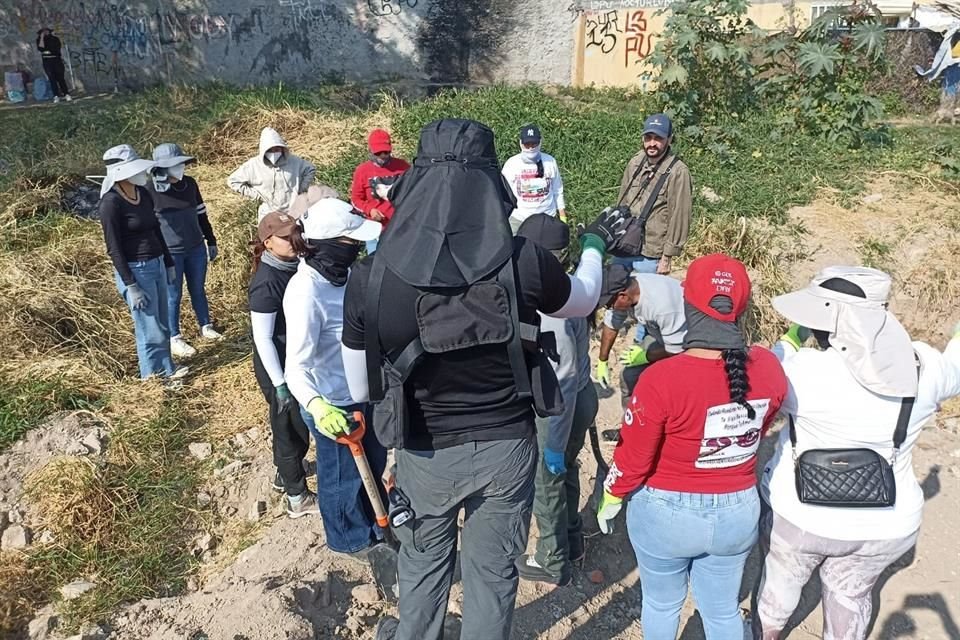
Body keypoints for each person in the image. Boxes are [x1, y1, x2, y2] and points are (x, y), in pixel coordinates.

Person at [338, 118, 628, 640]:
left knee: (423, 566)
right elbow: (584, 298)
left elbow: (360, 389)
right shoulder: (524, 261)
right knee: (493, 576)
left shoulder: (372, 276)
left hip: (426, 452)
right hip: (507, 446)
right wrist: (593, 246)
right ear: (494, 183)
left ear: (417, 180)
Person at [755, 267, 960, 640]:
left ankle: (766, 633)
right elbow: (956, 367)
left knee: (781, 582)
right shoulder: (925, 365)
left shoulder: (801, 370)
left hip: (800, 514)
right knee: (851, 593)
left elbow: (767, 368)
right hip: (887, 523)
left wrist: (791, 338)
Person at [597, 253, 787, 639]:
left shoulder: (661, 378)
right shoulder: (768, 368)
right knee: (721, 611)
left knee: (662, 604)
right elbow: (763, 423)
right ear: (742, 308)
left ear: (687, 303)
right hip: (737, 511)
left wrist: (612, 492)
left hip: (665, 513)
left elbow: (634, 455)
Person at [283, 198, 387, 553]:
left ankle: (377, 528)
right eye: (350, 242)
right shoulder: (305, 293)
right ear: (326, 245)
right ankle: (349, 543)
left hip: (364, 392)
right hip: (333, 403)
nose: (357, 248)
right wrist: (319, 406)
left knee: (373, 467)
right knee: (342, 480)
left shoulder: (345, 277)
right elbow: (294, 367)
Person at [513, 214, 598, 587]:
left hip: (560, 407)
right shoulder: (571, 288)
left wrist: (552, 442)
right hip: (583, 395)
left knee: (547, 479)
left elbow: (559, 381)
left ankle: (551, 558)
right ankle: (573, 536)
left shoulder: (550, 312)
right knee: (567, 468)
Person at [98, 145, 186, 381]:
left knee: (163, 323)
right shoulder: (111, 204)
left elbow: (156, 230)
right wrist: (131, 285)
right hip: (137, 270)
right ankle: (153, 377)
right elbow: (113, 248)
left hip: (156, 262)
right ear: (120, 173)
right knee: (150, 328)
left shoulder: (142, 194)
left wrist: (168, 263)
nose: (141, 174)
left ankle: (168, 368)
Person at [248, 211, 315, 517]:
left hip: (294, 357)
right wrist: (279, 384)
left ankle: (283, 475)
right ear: (268, 242)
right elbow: (262, 338)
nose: (294, 240)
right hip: (277, 363)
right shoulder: (266, 282)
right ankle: (297, 497)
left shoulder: (294, 265)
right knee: (290, 427)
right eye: (286, 237)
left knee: (293, 427)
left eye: (296, 233)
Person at [146, 143, 221, 359]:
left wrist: (211, 240)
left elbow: (201, 214)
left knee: (198, 288)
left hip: (196, 247)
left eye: (181, 164)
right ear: (162, 168)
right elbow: (148, 225)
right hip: (170, 252)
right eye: (175, 165)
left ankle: (206, 325)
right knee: (173, 295)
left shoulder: (189, 184)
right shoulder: (150, 191)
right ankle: (174, 337)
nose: (180, 168)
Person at [594, 266, 687, 408]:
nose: (609, 309)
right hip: (662, 337)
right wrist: (602, 361)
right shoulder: (626, 294)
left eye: (609, 305)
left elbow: (676, 349)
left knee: (667, 389)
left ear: (623, 296)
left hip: (687, 344)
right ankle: (630, 424)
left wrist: (645, 356)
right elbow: (611, 324)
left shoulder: (662, 307)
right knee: (629, 377)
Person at [613, 114, 692, 276]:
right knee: (615, 295)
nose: (652, 143)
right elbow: (622, 199)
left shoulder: (678, 172)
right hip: (624, 244)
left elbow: (680, 216)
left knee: (645, 299)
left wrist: (667, 256)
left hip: (650, 253)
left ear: (669, 139)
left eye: (658, 138)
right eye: (648, 137)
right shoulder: (636, 161)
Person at [227, 127, 316, 222]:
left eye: (277, 149)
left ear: (282, 148)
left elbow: (310, 169)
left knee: (297, 235)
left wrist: (301, 188)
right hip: (269, 213)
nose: (274, 153)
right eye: (270, 150)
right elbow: (233, 181)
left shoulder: (293, 161)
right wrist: (256, 195)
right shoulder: (253, 166)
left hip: (295, 211)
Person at [349, 129, 410, 253]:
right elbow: (356, 200)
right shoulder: (362, 171)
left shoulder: (403, 166)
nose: (382, 156)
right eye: (378, 153)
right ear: (370, 151)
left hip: (400, 226)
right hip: (375, 229)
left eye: (386, 152)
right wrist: (369, 210)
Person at [501, 124, 567, 234]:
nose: (531, 148)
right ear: (521, 143)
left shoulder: (550, 162)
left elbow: (558, 190)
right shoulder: (511, 164)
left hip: (546, 217)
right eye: (527, 144)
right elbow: (503, 193)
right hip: (519, 218)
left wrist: (562, 215)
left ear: (540, 143)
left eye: (534, 144)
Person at [36, 28, 71, 103]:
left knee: (61, 78)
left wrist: (47, 51)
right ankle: (56, 96)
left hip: (56, 60)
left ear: (49, 31)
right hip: (47, 62)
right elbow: (41, 48)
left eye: (46, 31)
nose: (45, 32)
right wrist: (42, 38)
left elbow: (55, 49)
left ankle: (66, 94)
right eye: (43, 32)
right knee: (52, 79)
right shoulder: (39, 40)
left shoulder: (55, 39)